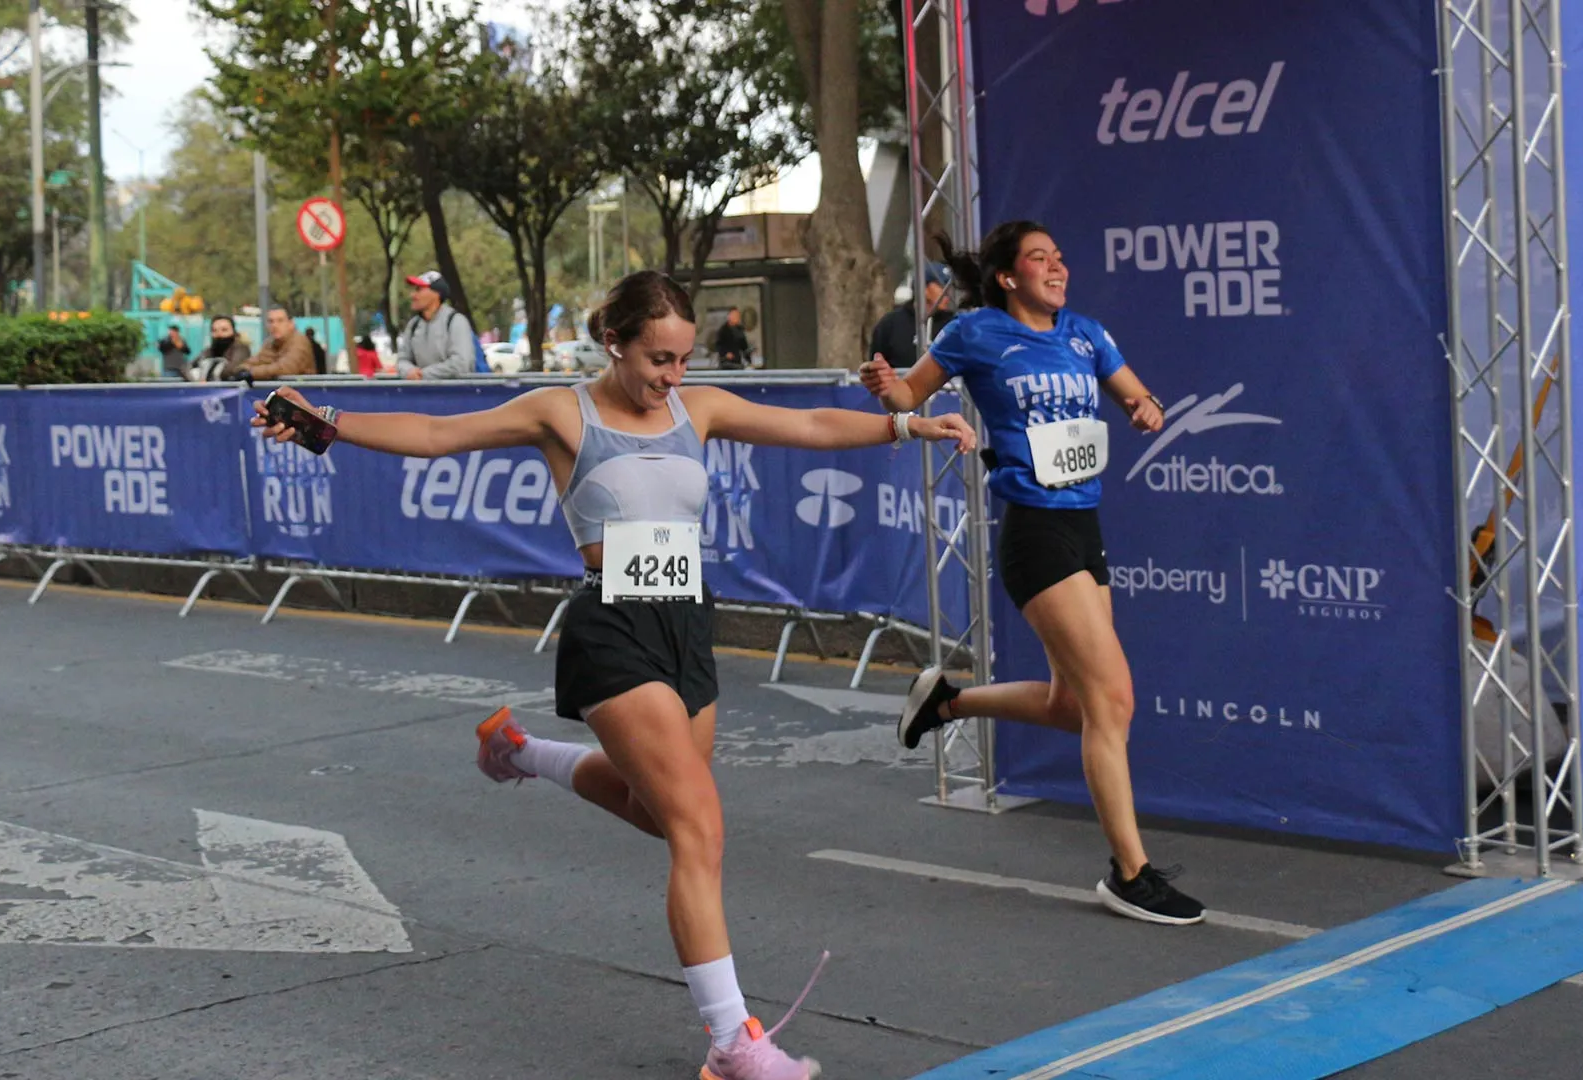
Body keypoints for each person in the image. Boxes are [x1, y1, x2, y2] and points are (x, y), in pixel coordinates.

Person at [257, 270, 975, 1079]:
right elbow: (434, 433)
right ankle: (733, 1041)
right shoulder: (561, 411)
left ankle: (517, 751)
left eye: (680, 358)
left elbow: (806, 423)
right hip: (614, 626)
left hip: (686, 623)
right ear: (615, 341)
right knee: (701, 825)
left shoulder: (695, 408)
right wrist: (329, 424)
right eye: (656, 358)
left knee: (659, 812)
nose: (670, 375)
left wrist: (909, 426)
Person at [858, 221, 1206, 927]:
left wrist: (1145, 408)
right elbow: (909, 398)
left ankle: (949, 703)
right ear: (1009, 277)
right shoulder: (974, 333)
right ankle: (1129, 873)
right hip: (1034, 531)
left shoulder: (1085, 334)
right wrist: (888, 386)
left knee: (1072, 705)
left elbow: (1143, 398)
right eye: (1039, 259)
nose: (1058, 267)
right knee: (1113, 699)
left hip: (1084, 527)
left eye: (1061, 256)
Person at [868, 263, 957, 372]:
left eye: (949, 287)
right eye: (942, 286)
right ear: (923, 288)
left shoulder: (955, 325)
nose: (948, 293)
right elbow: (875, 367)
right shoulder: (890, 324)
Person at [395, 269, 478, 379]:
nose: (412, 295)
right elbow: (402, 359)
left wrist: (423, 375)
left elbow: (461, 363)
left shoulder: (456, 321)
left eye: (419, 289)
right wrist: (409, 371)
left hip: (454, 394)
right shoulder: (413, 325)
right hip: (421, 394)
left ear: (436, 294)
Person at [237, 306, 316, 381]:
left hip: (303, 391)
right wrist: (242, 369)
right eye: (271, 321)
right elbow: (257, 360)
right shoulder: (270, 343)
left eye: (280, 320)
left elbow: (286, 368)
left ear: (291, 323)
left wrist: (252, 373)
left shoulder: (300, 341)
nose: (274, 325)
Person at [196, 315, 251, 382]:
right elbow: (190, 366)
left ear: (233, 331)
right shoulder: (209, 351)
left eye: (224, 330)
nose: (219, 334)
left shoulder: (241, 348)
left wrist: (210, 372)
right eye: (214, 330)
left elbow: (233, 368)